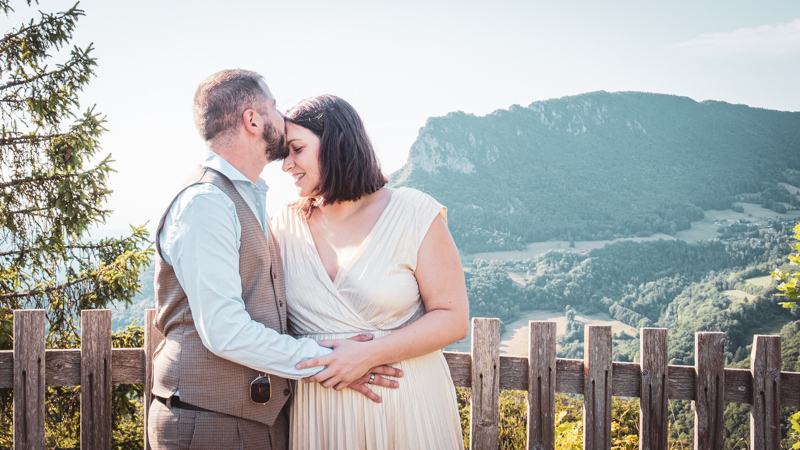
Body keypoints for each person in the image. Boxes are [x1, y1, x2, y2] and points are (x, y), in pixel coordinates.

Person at [148, 70, 400, 450]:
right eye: (275, 107)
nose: (282, 118)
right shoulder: (206, 202)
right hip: (207, 422)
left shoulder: (246, 197)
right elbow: (225, 330)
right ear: (253, 120)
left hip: (256, 420)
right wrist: (330, 360)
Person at [273, 94, 469, 449]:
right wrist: (320, 359)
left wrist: (367, 355)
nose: (287, 164)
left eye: (296, 149)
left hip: (406, 408)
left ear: (336, 143)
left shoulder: (414, 212)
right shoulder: (282, 225)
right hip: (320, 413)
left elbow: (453, 318)